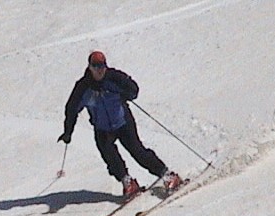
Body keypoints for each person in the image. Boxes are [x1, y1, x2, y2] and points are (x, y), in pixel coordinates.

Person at [58, 51, 182, 198]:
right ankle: (128, 182)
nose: (99, 69)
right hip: (102, 128)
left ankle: (168, 176)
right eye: (95, 66)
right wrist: (68, 132)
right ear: (89, 67)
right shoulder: (83, 87)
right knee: (110, 158)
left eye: (102, 66)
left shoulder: (114, 77)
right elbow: (71, 110)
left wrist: (127, 93)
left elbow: (133, 88)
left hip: (123, 122)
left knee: (138, 152)